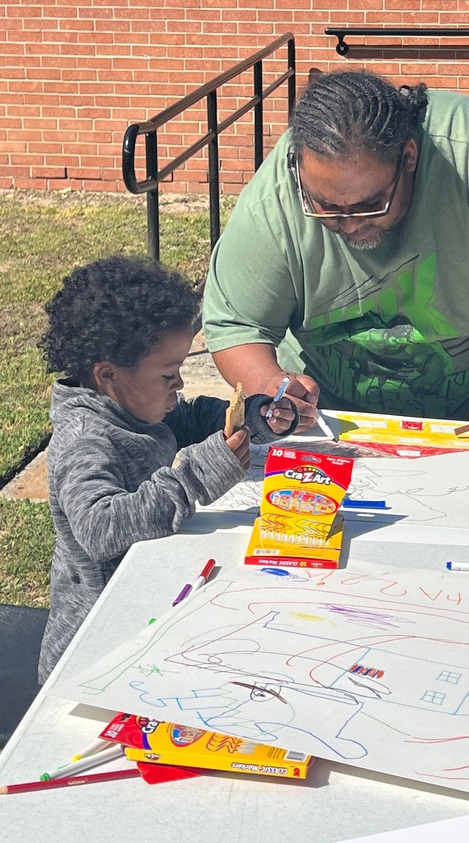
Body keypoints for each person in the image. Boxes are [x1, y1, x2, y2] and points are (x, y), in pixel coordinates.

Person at [203, 69, 469, 446]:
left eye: (371, 204)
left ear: (409, 156)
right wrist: (270, 384)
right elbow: (236, 324)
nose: (351, 224)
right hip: (327, 419)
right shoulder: (273, 200)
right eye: (326, 207)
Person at [37, 254, 298, 683]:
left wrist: (253, 416)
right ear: (109, 375)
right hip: (97, 647)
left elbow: (190, 418)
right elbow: (101, 528)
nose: (179, 385)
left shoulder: (132, 407)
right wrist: (196, 476)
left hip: (150, 604)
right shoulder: (86, 439)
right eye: (168, 375)